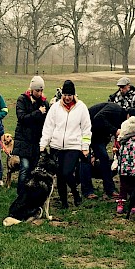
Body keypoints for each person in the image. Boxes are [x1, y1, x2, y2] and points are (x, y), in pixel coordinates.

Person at [39, 80, 92, 210]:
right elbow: (48, 127)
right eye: (65, 95)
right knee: (60, 176)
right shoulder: (55, 108)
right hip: (56, 146)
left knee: (67, 172)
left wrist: (85, 146)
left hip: (73, 146)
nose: (67, 98)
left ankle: (75, 192)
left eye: (70, 95)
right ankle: (64, 202)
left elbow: (86, 128)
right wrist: (43, 144)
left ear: (74, 95)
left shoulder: (81, 108)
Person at [80, 101, 126, 200]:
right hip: (84, 132)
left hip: (97, 136)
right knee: (86, 160)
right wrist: (115, 130)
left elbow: (106, 134)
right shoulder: (115, 109)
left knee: (104, 158)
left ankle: (110, 189)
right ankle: (87, 191)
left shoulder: (120, 121)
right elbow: (98, 118)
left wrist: (95, 154)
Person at [11, 76, 49, 193]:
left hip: (36, 141)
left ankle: (30, 192)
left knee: (33, 169)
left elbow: (47, 121)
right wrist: (38, 112)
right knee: (25, 167)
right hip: (24, 139)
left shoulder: (44, 103)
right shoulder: (22, 100)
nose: (40, 93)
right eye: (37, 90)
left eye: (41, 90)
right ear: (32, 89)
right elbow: (22, 118)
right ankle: (21, 192)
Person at [115, 116, 135, 214]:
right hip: (123, 169)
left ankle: (134, 203)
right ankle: (122, 200)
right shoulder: (123, 142)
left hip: (131, 170)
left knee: (131, 186)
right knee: (123, 186)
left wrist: (133, 170)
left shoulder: (134, 143)